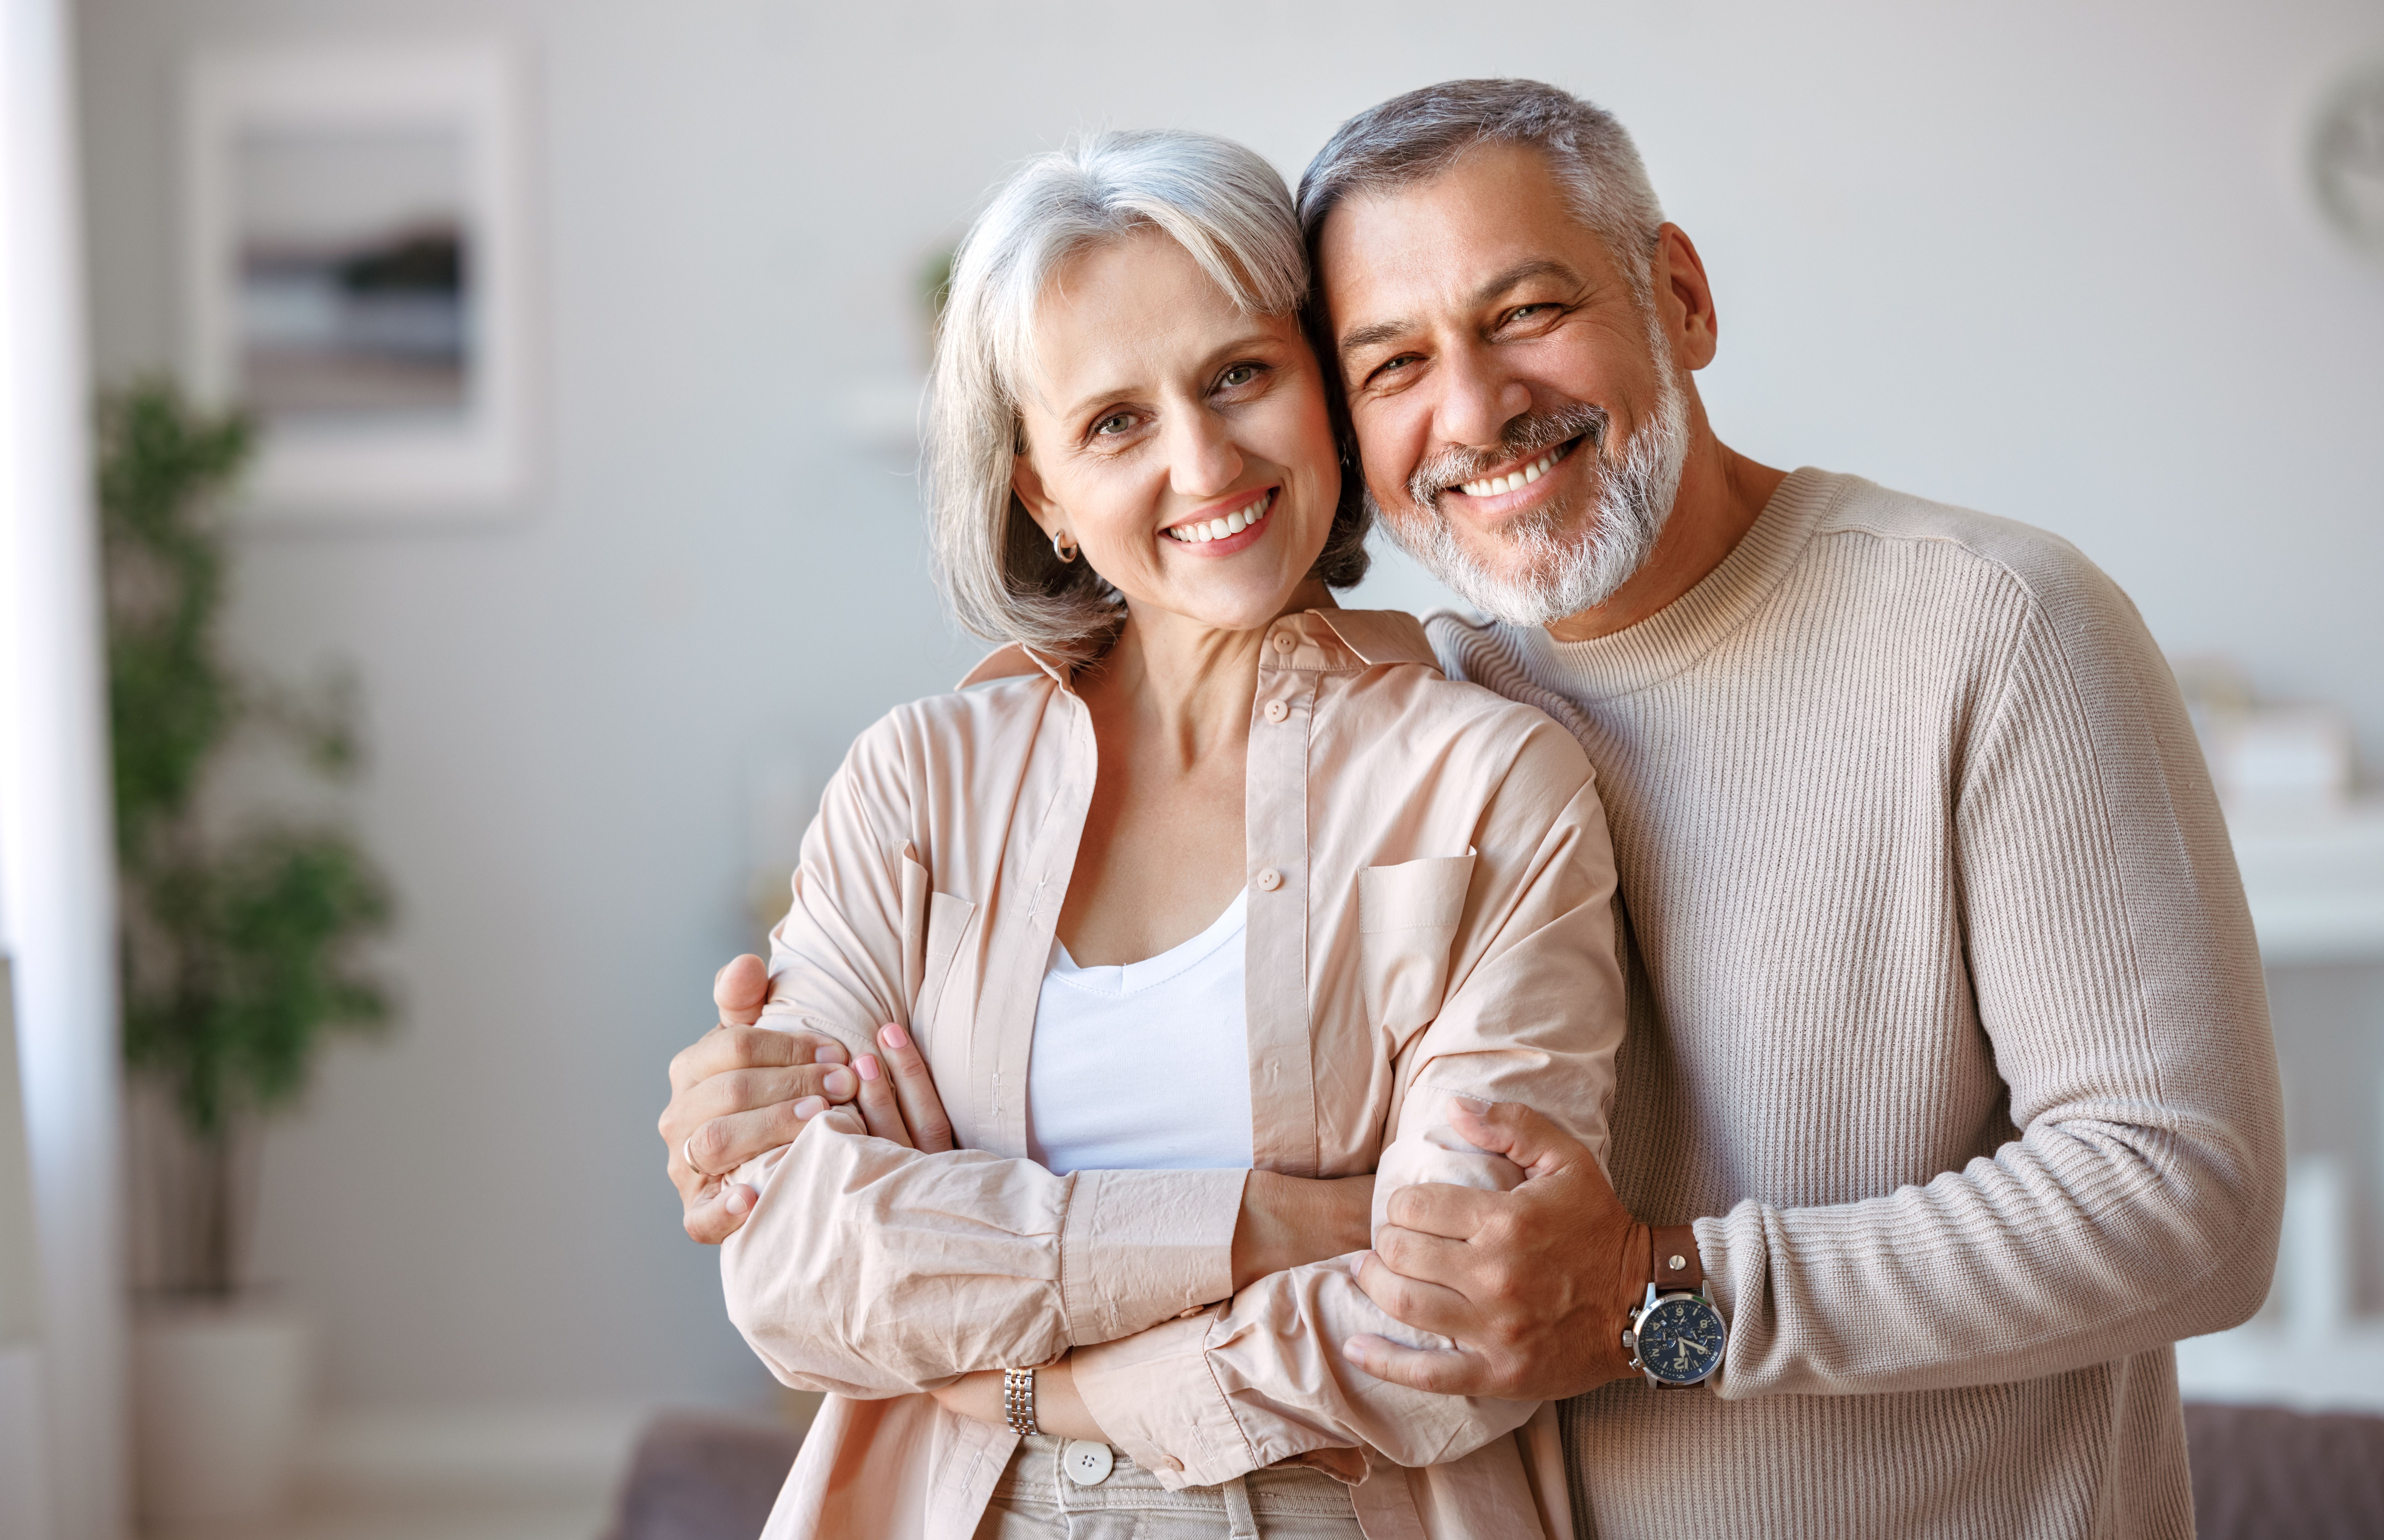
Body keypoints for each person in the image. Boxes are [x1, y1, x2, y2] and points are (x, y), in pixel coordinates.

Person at [665, 81, 2287, 1538]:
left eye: (1527, 314)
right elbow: (812, 1245)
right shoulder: (1451, 688)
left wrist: (1666, 1296)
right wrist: (803, 1153)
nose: (1477, 405)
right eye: (1393, 362)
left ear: (1683, 295)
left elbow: (2184, 1198)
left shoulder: (1987, 624)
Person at [674, 128, 1629, 1540]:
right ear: (1041, 494)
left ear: (1319, 388)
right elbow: (797, 1268)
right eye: (1113, 421)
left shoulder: (1493, 781)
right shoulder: (916, 785)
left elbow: (1458, 1318)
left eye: (1237, 374)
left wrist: (1026, 1378)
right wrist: (1271, 1225)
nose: (1200, 459)